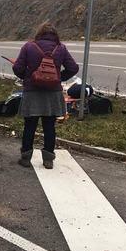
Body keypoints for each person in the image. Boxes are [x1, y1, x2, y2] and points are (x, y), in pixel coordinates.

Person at [12, 22, 78, 169]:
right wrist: (59, 78)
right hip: (52, 93)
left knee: (30, 126)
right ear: (55, 35)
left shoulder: (29, 46)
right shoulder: (61, 48)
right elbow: (73, 68)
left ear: (39, 33)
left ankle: (26, 158)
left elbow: (17, 68)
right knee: (49, 126)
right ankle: (48, 160)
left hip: (32, 92)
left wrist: (28, 77)